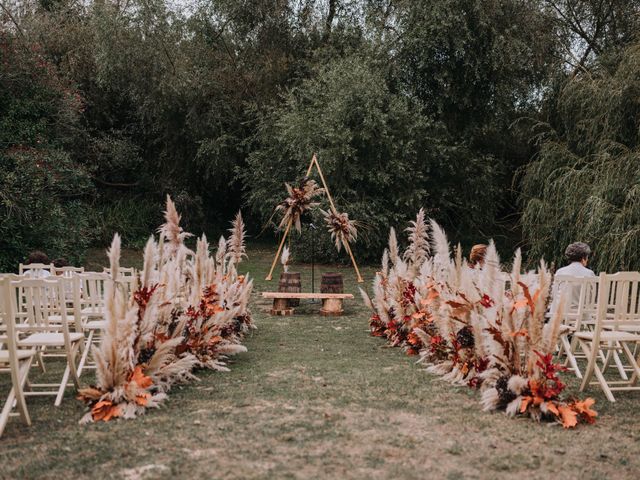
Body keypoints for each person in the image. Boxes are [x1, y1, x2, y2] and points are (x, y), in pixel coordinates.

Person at [551, 242, 595, 312]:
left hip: (559, 313)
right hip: (581, 314)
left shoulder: (560, 272)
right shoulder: (589, 273)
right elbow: (590, 297)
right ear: (583, 258)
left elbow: (553, 293)